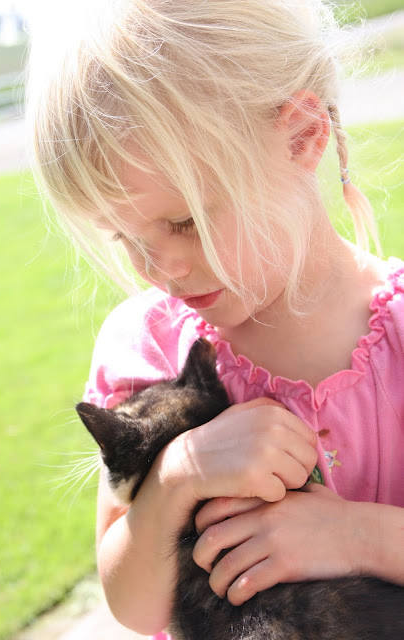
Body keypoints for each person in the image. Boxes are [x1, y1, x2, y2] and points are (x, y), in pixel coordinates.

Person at [27, 0, 404, 638]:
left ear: (301, 137)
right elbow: (135, 606)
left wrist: (358, 536)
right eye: (125, 237)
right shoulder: (148, 348)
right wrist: (179, 475)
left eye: (184, 222)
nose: (159, 268)